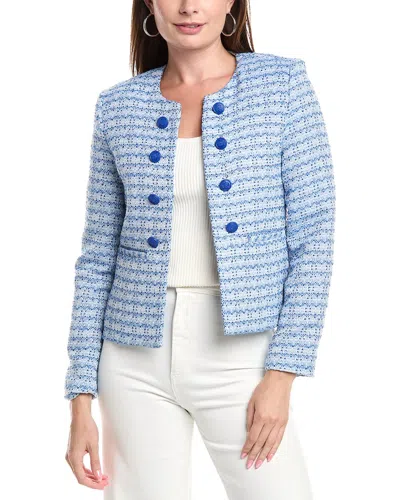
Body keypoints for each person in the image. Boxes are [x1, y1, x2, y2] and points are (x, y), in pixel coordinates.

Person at [64, 0, 336, 498]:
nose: (189, 7)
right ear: (150, 4)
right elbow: (98, 255)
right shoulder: (118, 106)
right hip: (132, 360)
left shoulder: (281, 86)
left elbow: (313, 238)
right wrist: (80, 396)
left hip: (242, 353)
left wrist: (282, 374)